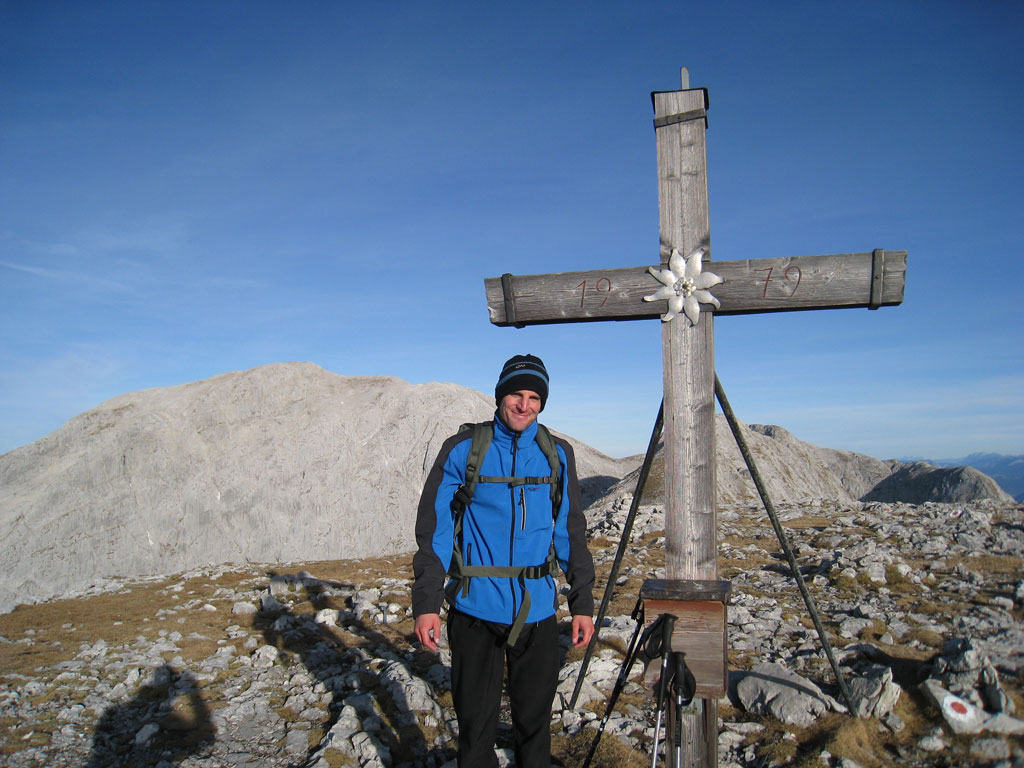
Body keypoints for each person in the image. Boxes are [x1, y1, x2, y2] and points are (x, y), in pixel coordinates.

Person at [412, 354, 596, 768]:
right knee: (475, 730)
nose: (524, 405)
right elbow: (435, 533)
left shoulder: (557, 454)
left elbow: (570, 533)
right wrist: (426, 604)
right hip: (474, 610)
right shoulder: (463, 450)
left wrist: (581, 604)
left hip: (538, 613)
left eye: (534, 397)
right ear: (500, 396)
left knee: (535, 726)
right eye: (516, 393)